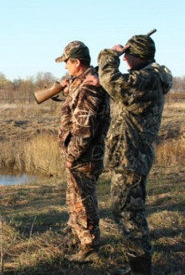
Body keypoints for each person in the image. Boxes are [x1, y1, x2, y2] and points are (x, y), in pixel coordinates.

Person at [97, 34, 173, 275]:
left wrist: (109, 55)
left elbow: (111, 81)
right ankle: (137, 267)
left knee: (129, 213)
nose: (125, 58)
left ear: (135, 55)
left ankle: (140, 270)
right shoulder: (148, 77)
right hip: (130, 154)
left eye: (128, 54)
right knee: (126, 210)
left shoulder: (145, 79)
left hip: (132, 156)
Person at [55, 41, 111, 263]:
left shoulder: (89, 87)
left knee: (83, 203)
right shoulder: (82, 83)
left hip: (83, 157)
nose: (65, 67)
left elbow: (84, 131)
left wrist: (71, 157)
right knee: (76, 201)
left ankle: (90, 248)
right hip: (80, 156)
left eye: (67, 62)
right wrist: (68, 90)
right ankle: (81, 240)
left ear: (77, 62)